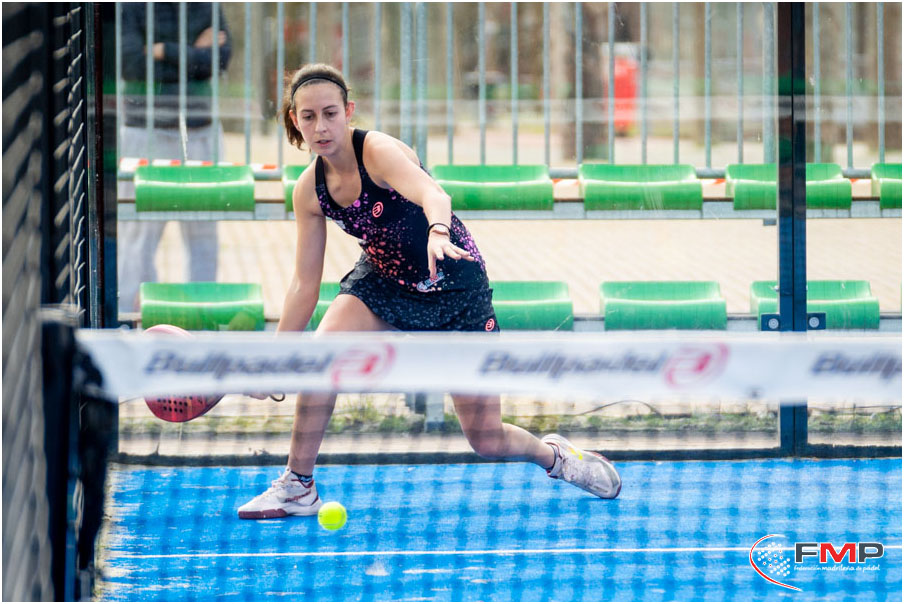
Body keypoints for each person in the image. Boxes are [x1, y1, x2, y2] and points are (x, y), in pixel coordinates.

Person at [237, 63, 621, 519]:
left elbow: (434, 194)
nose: (321, 126)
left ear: (348, 111)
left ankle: (555, 457)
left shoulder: (377, 151)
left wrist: (438, 231)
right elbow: (304, 284)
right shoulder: (309, 191)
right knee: (324, 356)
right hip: (384, 281)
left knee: (486, 438)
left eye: (330, 113)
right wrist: (277, 359)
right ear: (294, 120)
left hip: (454, 284)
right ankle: (298, 485)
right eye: (308, 116)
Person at [118, 3, 231, 314]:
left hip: (200, 130)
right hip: (143, 131)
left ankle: (201, 317)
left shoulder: (205, 5)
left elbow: (219, 60)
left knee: (203, 230)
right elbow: (131, 65)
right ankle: (133, 318)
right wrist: (193, 52)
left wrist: (160, 50)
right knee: (138, 234)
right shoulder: (132, 7)